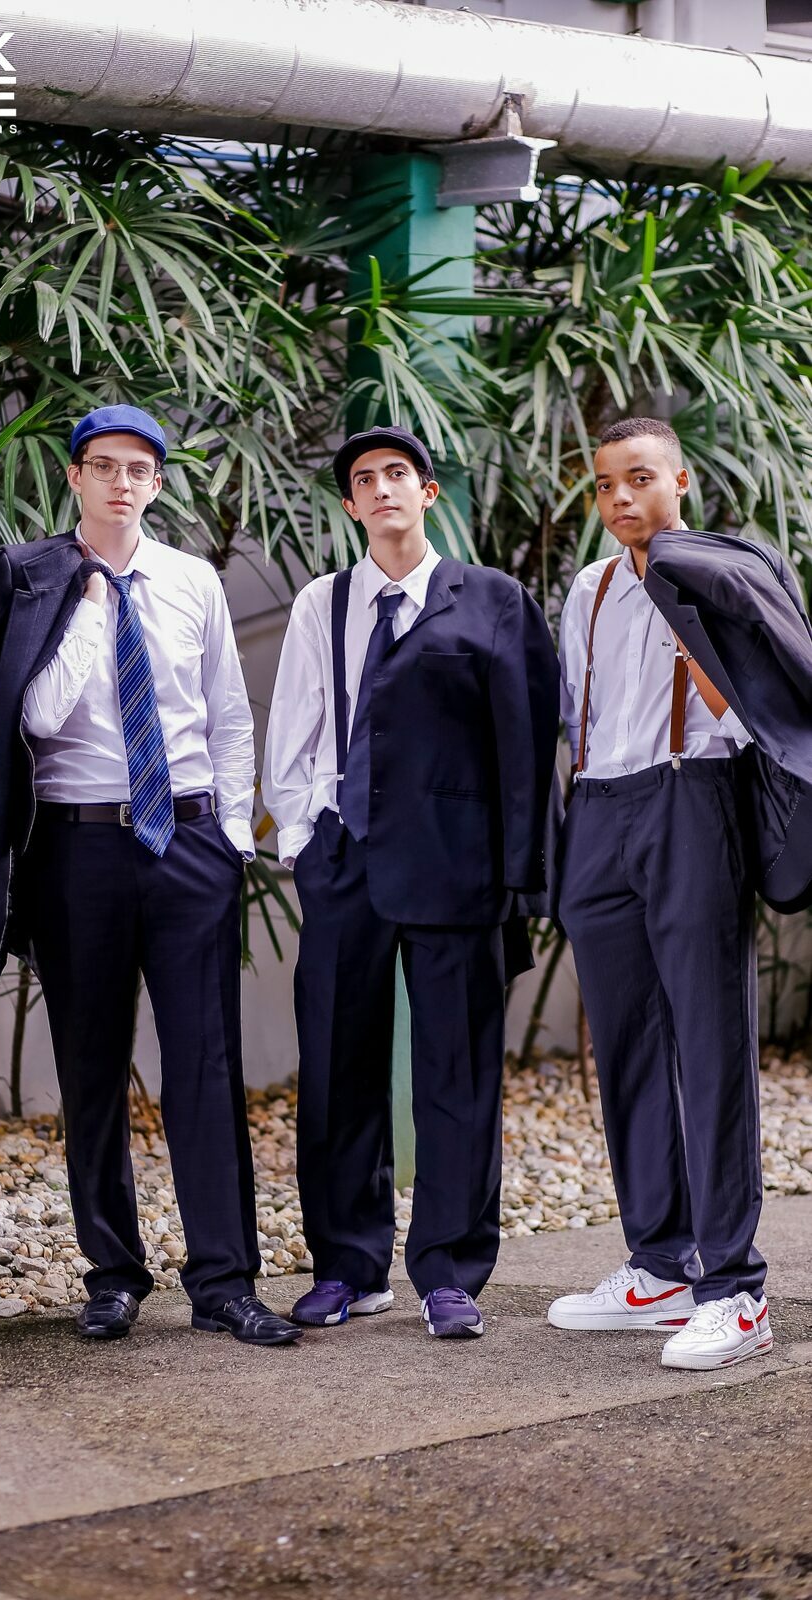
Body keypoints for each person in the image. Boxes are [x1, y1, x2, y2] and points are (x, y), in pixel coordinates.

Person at [0, 404, 301, 1347]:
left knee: (206, 1065)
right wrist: (91, 611)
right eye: (103, 466)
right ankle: (112, 1275)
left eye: (138, 469)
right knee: (90, 1066)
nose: (121, 483)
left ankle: (224, 1282)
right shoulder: (29, 576)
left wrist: (232, 835)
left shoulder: (191, 580)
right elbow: (25, 719)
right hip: (76, 849)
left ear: (156, 483)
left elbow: (227, 714)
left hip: (187, 843)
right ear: (75, 476)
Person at [262, 426, 559, 1339]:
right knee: (336, 1069)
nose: (382, 487)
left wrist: (521, 875)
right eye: (365, 479)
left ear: (427, 493)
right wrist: (306, 839)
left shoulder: (492, 600)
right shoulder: (323, 602)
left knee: (455, 1073)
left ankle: (450, 1273)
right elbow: (297, 723)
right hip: (345, 861)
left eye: (398, 473)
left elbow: (525, 742)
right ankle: (347, 1268)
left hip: (456, 866)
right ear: (350, 505)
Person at [548, 416, 771, 1370]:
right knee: (628, 1046)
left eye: (638, 478)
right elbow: (580, 714)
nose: (619, 499)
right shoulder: (588, 588)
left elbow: (770, 710)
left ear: (678, 480)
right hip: (601, 809)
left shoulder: (724, 571)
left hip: (692, 800)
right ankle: (660, 1266)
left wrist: (697, 646)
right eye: (604, 485)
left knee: (710, 1044)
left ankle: (735, 1289)